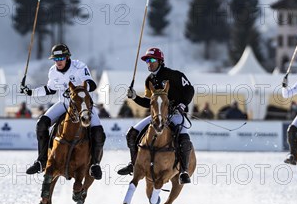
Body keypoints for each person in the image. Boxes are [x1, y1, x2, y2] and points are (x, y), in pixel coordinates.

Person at [19, 43, 106, 180]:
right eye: (55, 59)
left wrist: (77, 89)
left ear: (67, 58)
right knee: (41, 124)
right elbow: (50, 89)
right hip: (64, 104)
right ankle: (41, 161)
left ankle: (94, 164)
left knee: (98, 131)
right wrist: (31, 92)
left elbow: (92, 84)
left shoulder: (79, 67)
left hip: (83, 106)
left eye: (61, 58)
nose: (58, 61)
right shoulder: (53, 71)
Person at [117, 47, 195, 184]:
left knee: (184, 139)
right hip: (157, 115)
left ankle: (183, 171)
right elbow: (150, 103)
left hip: (176, 114)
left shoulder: (173, 74)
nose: (149, 63)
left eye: (152, 60)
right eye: (147, 60)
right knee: (132, 133)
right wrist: (135, 97)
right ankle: (133, 163)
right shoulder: (149, 80)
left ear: (160, 61)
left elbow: (189, 89)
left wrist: (182, 104)